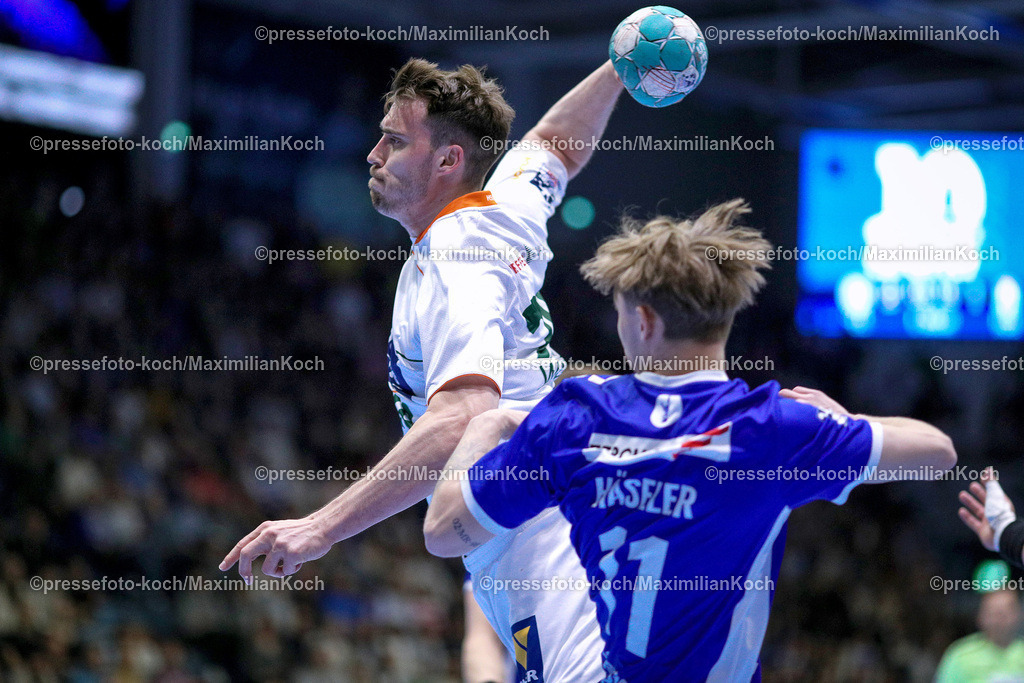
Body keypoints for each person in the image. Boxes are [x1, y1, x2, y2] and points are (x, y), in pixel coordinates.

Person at [423, 199, 957, 682]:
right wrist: (846, 419)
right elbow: (938, 453)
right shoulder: (773, 430)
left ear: (645, 321)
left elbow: (445, 533)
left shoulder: (574, 419)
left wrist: (485, 425)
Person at [221, 57, 626, 682]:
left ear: (448, 162)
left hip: (542, 541)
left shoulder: (456, 255)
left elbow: (465, 413)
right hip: (546, 525)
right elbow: (553, 146)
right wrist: (621, 66)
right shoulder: (503, 203)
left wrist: (318, 528)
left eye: (396, 140)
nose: (373, 153)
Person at [935, 589, 1024, 682]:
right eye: (994, 612)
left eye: (1006, 612)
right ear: (980, 616)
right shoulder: (961, 656)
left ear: (1019, 614)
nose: (1000, 619)